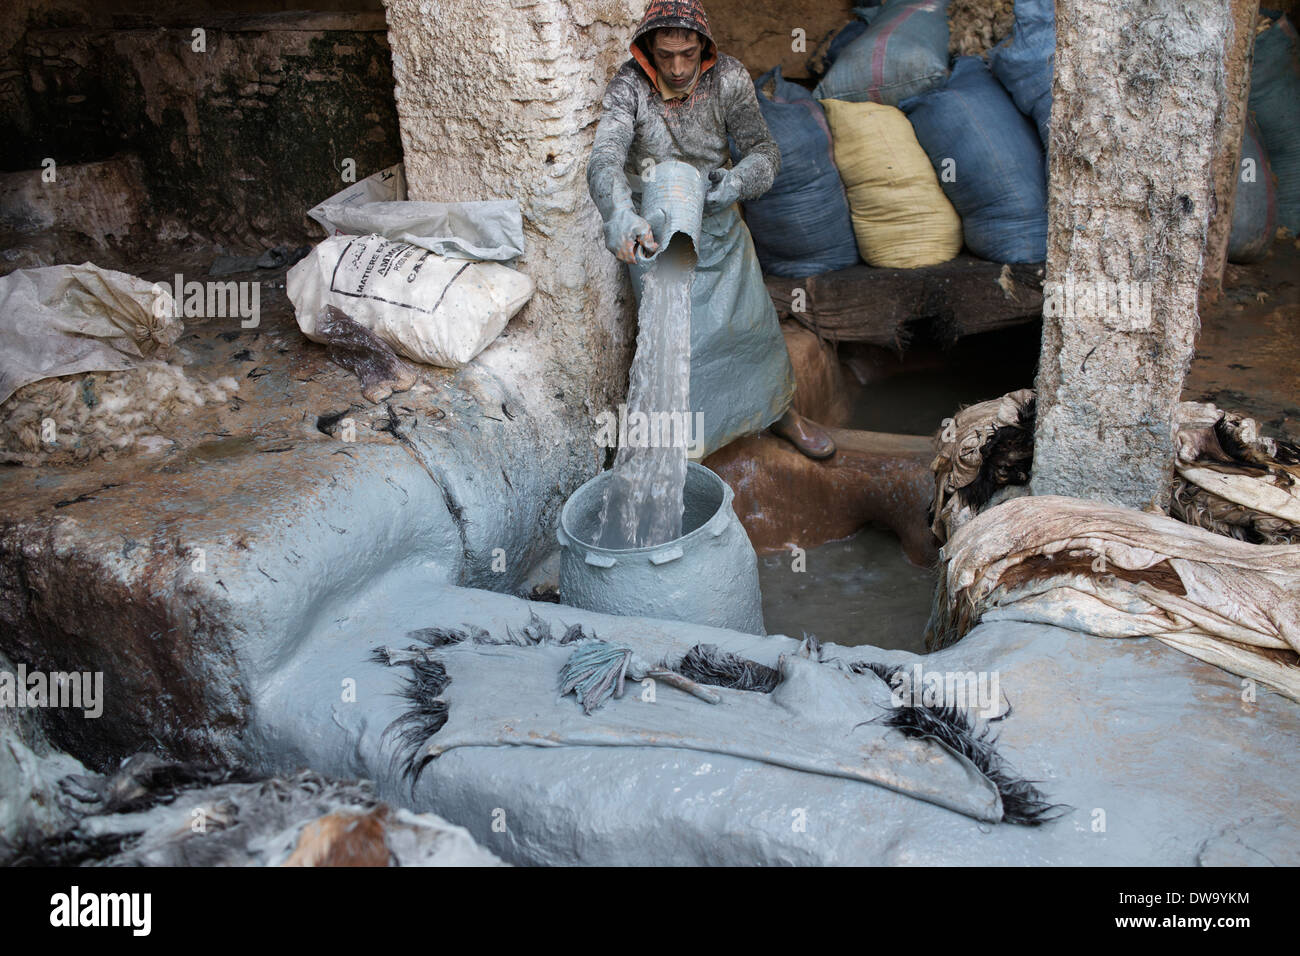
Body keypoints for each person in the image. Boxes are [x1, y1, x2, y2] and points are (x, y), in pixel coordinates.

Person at [586, 0, 836, 460]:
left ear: (704, 46)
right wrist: (619, 213)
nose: (678, 68)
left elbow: (765, 152)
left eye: (688, 53)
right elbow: (604, 159)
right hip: (657, 233)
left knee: (752, 329)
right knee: (679, 352)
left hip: (720, 224)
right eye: (665, 55)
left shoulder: (730, 78)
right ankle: (687, 454)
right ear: (646, 51)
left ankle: (779, 412)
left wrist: (737, 181)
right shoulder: (629, 87)